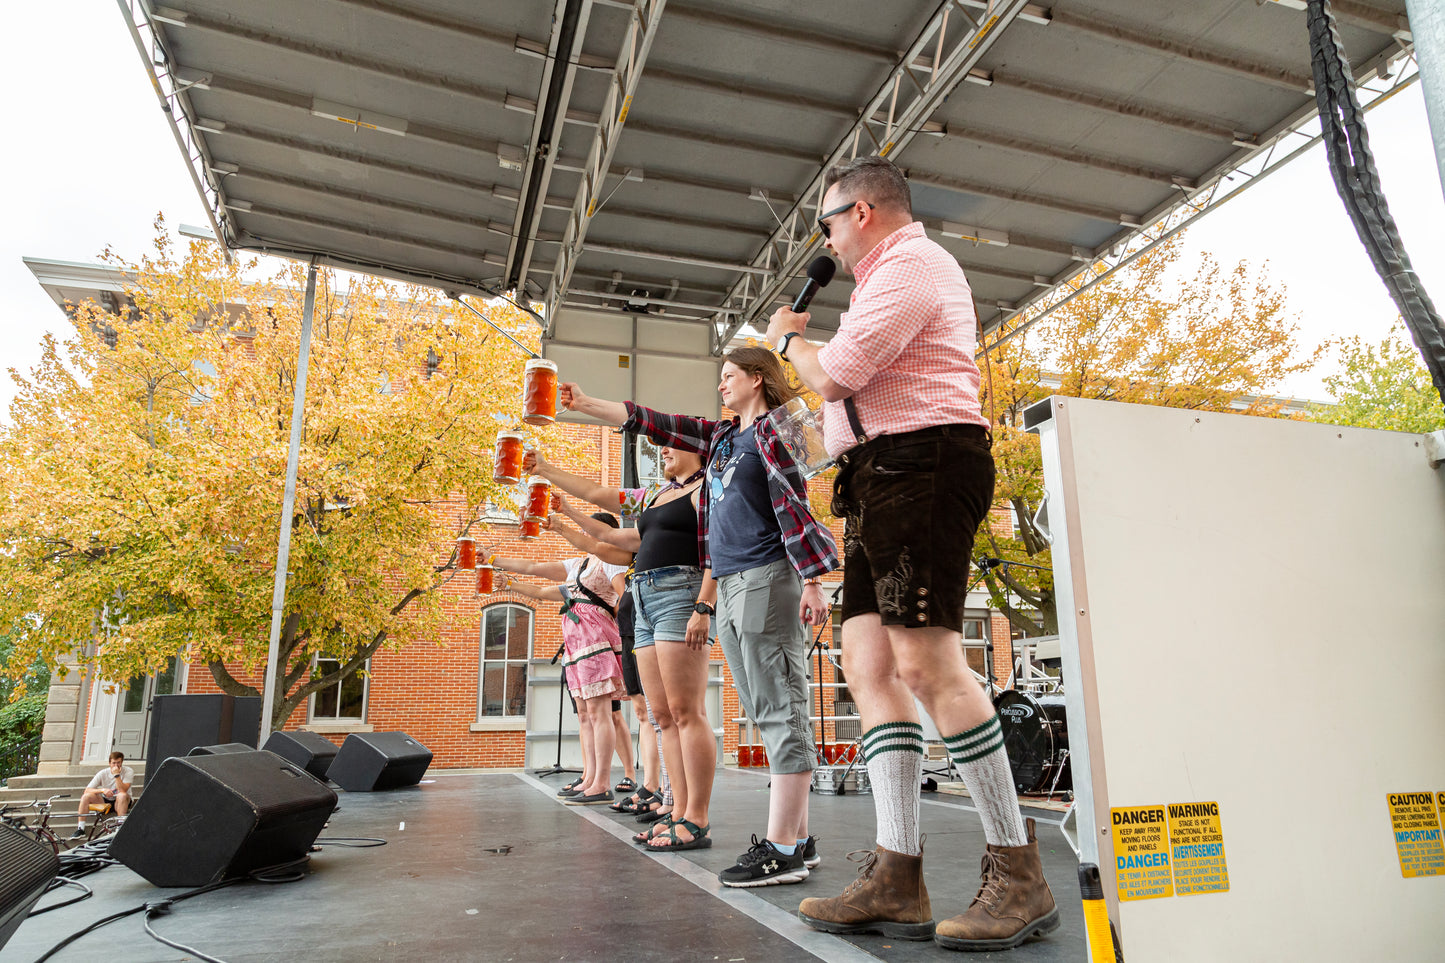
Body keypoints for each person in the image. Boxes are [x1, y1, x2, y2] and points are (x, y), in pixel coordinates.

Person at [766, 154, 1057, 951]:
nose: (824, 237)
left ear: (860, 212)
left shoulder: (914, 263)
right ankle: (898, 873)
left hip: (924, 461)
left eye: (826, 222)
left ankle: (1018, 870)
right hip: (877, 472)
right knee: (866, 665)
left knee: (928, 662)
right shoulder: (880, 281)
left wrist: (791, 341)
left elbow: (838, 374)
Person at [558, 345, 837, 887]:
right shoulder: (724, 440)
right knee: (763, 706)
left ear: (757, 379)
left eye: (729, 376)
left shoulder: (774, 433)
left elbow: (797, 503)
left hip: (765, 574)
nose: (721, 385)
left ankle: (783, 849)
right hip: (729, 581)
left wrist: (813, 580)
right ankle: (799, 841)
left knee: (781, 709)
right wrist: (586, 403)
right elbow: (655, 420)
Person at [526, 444, 718, 852]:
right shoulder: (654, 495)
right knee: (663, 715)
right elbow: (611, 537)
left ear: (696, 447)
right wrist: (565, 512)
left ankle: (696, 818)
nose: (662, 449)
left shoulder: (708, 488)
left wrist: (704, 604)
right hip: (644, 599)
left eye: (670, 442)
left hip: (681, 592)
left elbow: (719, 546)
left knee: (686, 711)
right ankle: (677, 810)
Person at [492, 516, 629, 806]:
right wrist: (500, 568)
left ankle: (602, 782)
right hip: (575, 645)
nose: (583, 532)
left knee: (599, 711)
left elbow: (624, 597)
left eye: (588, 528)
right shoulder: (578, 566)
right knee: (585, 714)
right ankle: (590, 777)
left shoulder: (610, 560)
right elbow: (535, 573)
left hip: (596, 641)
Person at [72, 750, 132, 837]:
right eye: (113, 763)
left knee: (121, 795)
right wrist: (102, 790)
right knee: (86, 797)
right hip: (105, 800)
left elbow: (122, 790)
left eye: (118, 763)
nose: (116, 765)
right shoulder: (103, 773)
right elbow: (87, 790)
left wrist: (117, 776)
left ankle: (120, 827)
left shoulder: (128, 771)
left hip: (121, 801)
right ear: (109, 763)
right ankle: (80, 829)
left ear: (122, 762)